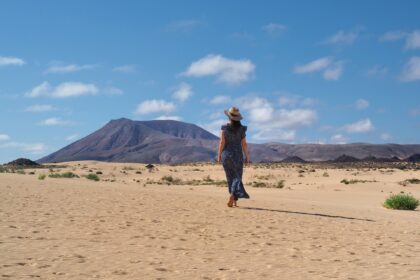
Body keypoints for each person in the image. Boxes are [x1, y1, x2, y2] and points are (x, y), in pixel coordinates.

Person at [217, 106, 250, 207]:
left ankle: (234, 199)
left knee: (230, 177)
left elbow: (222, 142)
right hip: (237, 156)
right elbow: (244, 144)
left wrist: (219, 155)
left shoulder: (224, 128)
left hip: (226, 155)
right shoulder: (242, 130)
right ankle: (233, 196)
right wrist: (247, 156)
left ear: (229, 117)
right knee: (237, 177)